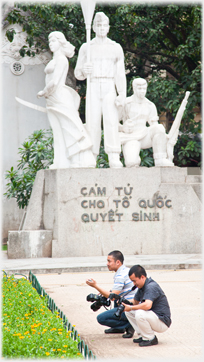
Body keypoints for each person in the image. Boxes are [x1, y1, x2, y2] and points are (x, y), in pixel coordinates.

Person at [74, 12, 126, 168]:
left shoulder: (115, 48)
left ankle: (114, 155)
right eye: (99, 25)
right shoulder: (86, 47)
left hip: (109, 85)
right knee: (92, 122)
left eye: (104, 25)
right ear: (94, 27)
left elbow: (120, 73)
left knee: (111, 121)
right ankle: (91, 155)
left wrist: (122, 93)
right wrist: (85, 69)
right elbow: (78, 74)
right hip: (93, 85)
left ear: (108, 28)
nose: (102, 28)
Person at [37, 31, 95, 169]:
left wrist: (44, 91)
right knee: (58, 131)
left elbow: (55, 81)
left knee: (69, 128)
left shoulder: (62, 59)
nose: (51, 44)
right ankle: (60, 161)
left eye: (54, 41)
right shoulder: (54, 60)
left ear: (61, 42)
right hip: (52, 97)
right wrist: (46, 94)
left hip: (59, 96)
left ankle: (78, 159)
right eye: (49, 41)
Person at [119, 78, 174, 167]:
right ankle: (135, 158)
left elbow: (155, 126)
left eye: (144, 89)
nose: (142, 91)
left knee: (159, 128)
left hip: (145, 136)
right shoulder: (126, 103)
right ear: (134, 89)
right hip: (130, 137)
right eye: (139, 89)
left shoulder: (150, 105)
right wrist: (122, 127)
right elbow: (114, 124)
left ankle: (160, 159)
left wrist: (164, 136)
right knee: (131, 163)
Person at [86, 250, 136, 338]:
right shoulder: (125, 270)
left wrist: (95, 286)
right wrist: (104, 293)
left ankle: (130, 324)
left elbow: (112, 297)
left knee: (101, 318)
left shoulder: (120, 276)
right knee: (116, 297)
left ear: (118, 262)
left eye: (109, 261)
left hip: (131, 308)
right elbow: (115, 293)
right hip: (131, 304)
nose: (107, 264)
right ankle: (119, 328)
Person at [122, 265, 172, 347]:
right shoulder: (142, 286)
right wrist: (122, 301)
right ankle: (142, 335)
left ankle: (150, 338)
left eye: (134, 281)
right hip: (154, 317)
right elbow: (135, 302)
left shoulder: (151, 286)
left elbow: (147, 305)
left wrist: (130, 307)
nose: (134, 284)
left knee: (139, 313)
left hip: (162, 322)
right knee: (129, 311)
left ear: (142, 277)